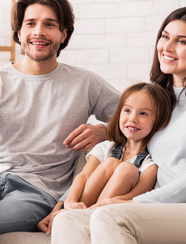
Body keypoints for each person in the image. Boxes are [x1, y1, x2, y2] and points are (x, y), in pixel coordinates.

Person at [51, 6, 186, 244]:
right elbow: (127, 135)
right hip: (168, 210)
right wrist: (61, 204)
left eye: (182, 41)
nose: (167, 47)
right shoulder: (160, 100)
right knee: (67, 220)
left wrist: (134, 202)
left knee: (110, 217)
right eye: (165, 37)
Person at [0, 0, 120, 243]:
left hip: (36, 191)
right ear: (19, 33)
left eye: (50, 24)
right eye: (31, 24)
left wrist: (103, 131)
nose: (39, 32)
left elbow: (135, 116)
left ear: (63, 34)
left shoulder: (86, 83)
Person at [38, 82, 171, 233]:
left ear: (158, 121)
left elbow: (134, 199)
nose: (132, 118)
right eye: (127, 110)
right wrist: (68, 203)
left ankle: (84, 220)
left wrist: (108, 204)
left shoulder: (149, 167)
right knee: (111, 162)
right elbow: (83, 176)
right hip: (79, 207)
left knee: (127, 169)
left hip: (107, 215)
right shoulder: (106, 147)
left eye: (143, 113)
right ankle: (74, 216)